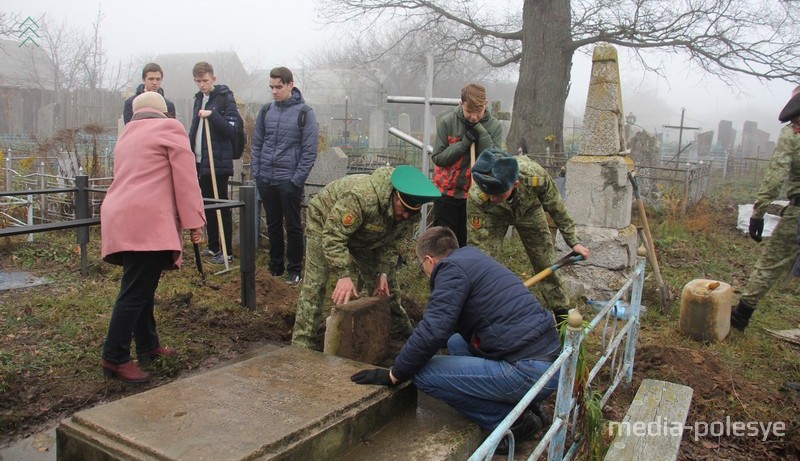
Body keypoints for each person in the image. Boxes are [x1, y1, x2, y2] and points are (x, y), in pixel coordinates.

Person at [350, 226, 560, 455]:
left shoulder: (450, 270)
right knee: (456, 342)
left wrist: (395, 374)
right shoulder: (472, 257)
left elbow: (433, 330)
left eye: (422, 267)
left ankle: (511, 422)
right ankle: (529, 406)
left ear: (429, 260)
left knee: (421, 373)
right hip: (548, 363)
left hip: (524, 371)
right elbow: (446, 327)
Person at [100, 92, 205, 383]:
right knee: (134, 292)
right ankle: (115, 356)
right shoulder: (169, 129)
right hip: (147, 221)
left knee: (140, 286)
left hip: (121, 216)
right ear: (164, 112)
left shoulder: (126, 135)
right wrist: (195, 222)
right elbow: (185, 181)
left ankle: (148, 345)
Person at [292, 165, 441, 349]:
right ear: (394, 195)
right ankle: (301, 344)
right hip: (326, 222)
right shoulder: (362, 198)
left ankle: (400, 334)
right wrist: (343, 274)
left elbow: (392, 244)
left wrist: (383, 273)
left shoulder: (407, 214)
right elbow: (333, 236)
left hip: (365, 234)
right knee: (316, 284)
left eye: (410, 213)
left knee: (386, 288)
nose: (405, 216)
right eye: (403, 209)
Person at [467, 148, 590, 320]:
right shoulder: (478, 196)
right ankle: (481, 311)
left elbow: (557, 208)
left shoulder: (535, 176)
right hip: (494, 216)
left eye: (498, 193)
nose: (492, 198)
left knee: (545, 260)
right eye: (489, 193)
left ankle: (562, 314)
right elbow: (477, 242)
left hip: (529, 211)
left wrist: (573, 241)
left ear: (515, 184)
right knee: (484, 264)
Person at [732, 87, 800, 331]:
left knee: (771, 262)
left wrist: (758, 212)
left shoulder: (794, 132)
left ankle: (741, 314)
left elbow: (775, 177)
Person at [251, 67, 319, 285]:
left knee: (293, 225)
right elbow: (257, 143)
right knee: (272, 224)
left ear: (290, 85)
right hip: (266, 178)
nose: (274, 91)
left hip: (288, 180)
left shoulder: (305, 113)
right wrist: (257, 173)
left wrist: (296, 180)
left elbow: (309, 151)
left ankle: (295, 269)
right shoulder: (265, 111)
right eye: (271, 87)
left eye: (278, 87)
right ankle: (275, 266)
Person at [431, 83, 502, 247]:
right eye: (469, 111)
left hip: (476, 196)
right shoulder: (447, 122)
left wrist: (481, 134)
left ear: (486, 104)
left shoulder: (494, 126)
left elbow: (495, 161)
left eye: (478, 112)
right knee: (444, 243)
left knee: (469, 242)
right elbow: (438, 157)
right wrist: (463, 144)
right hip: (446, 194)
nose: (473, 117)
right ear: (461, 103)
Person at [188, 61, 240, 265]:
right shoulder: (198, 98)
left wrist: (213, 115)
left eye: (205, 80)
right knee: (207, 204)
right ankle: (213, 247)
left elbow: (232, 130)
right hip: (201, 160)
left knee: (221, 205)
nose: (202, 85)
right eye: (198, 81)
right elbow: (194, 127)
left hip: (217, 160)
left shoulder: (225, 97)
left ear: (213, 79)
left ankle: (226, 250)